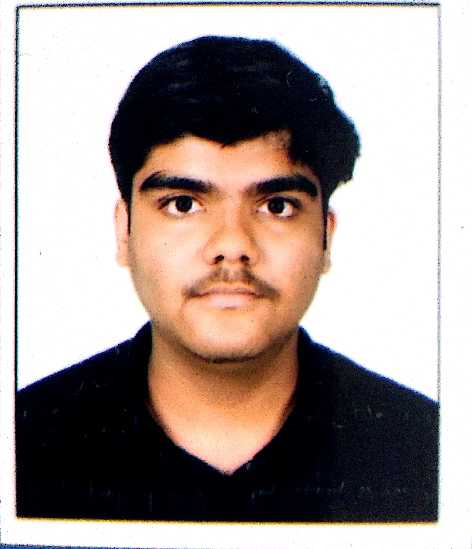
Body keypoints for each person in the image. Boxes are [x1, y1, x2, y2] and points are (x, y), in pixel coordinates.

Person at [16, 35, 438, 522]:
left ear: (326, 236)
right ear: (124, 231)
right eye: (183, 204)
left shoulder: (428, 451)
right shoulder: (22, 443)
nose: (233, 244)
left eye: (277, 206)